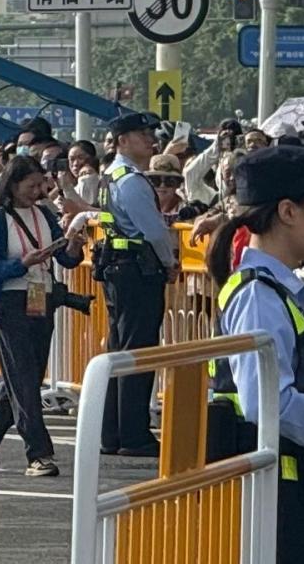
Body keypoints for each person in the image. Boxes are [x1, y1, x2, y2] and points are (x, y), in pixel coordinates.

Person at [205, 145, 304, 564]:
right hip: (270, 500)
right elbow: (267, 402)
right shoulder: (259, 295)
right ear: (289, 212)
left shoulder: (277, 290)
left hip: (288, 490)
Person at [0, 156, 85, 476]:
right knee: (23, 379)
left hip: (41, 300)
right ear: (12, 184)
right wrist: (22, 263)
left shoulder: (44, 214)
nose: (38, 191)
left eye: (41, 185)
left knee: (25, 380)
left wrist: (75, 247)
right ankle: (38, 453)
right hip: (9, 303)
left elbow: (64, 259)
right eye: (31, 185)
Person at [95, 111, 177, 457]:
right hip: (136, 269)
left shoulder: (112, 175)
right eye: (142, 134)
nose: (150, 139)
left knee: (120, 348)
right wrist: (170, 262)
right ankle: (133, 434)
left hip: (118, 266)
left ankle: (113, 432)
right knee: (137, 351)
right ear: (123, 141)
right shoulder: (130, 180)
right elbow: (154, 231)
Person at [145, 153, 186, 223]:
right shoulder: (139, 207)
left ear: (178, 184)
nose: (162, 185)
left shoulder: (187, 211)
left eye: (169, 181)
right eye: (155, 180)